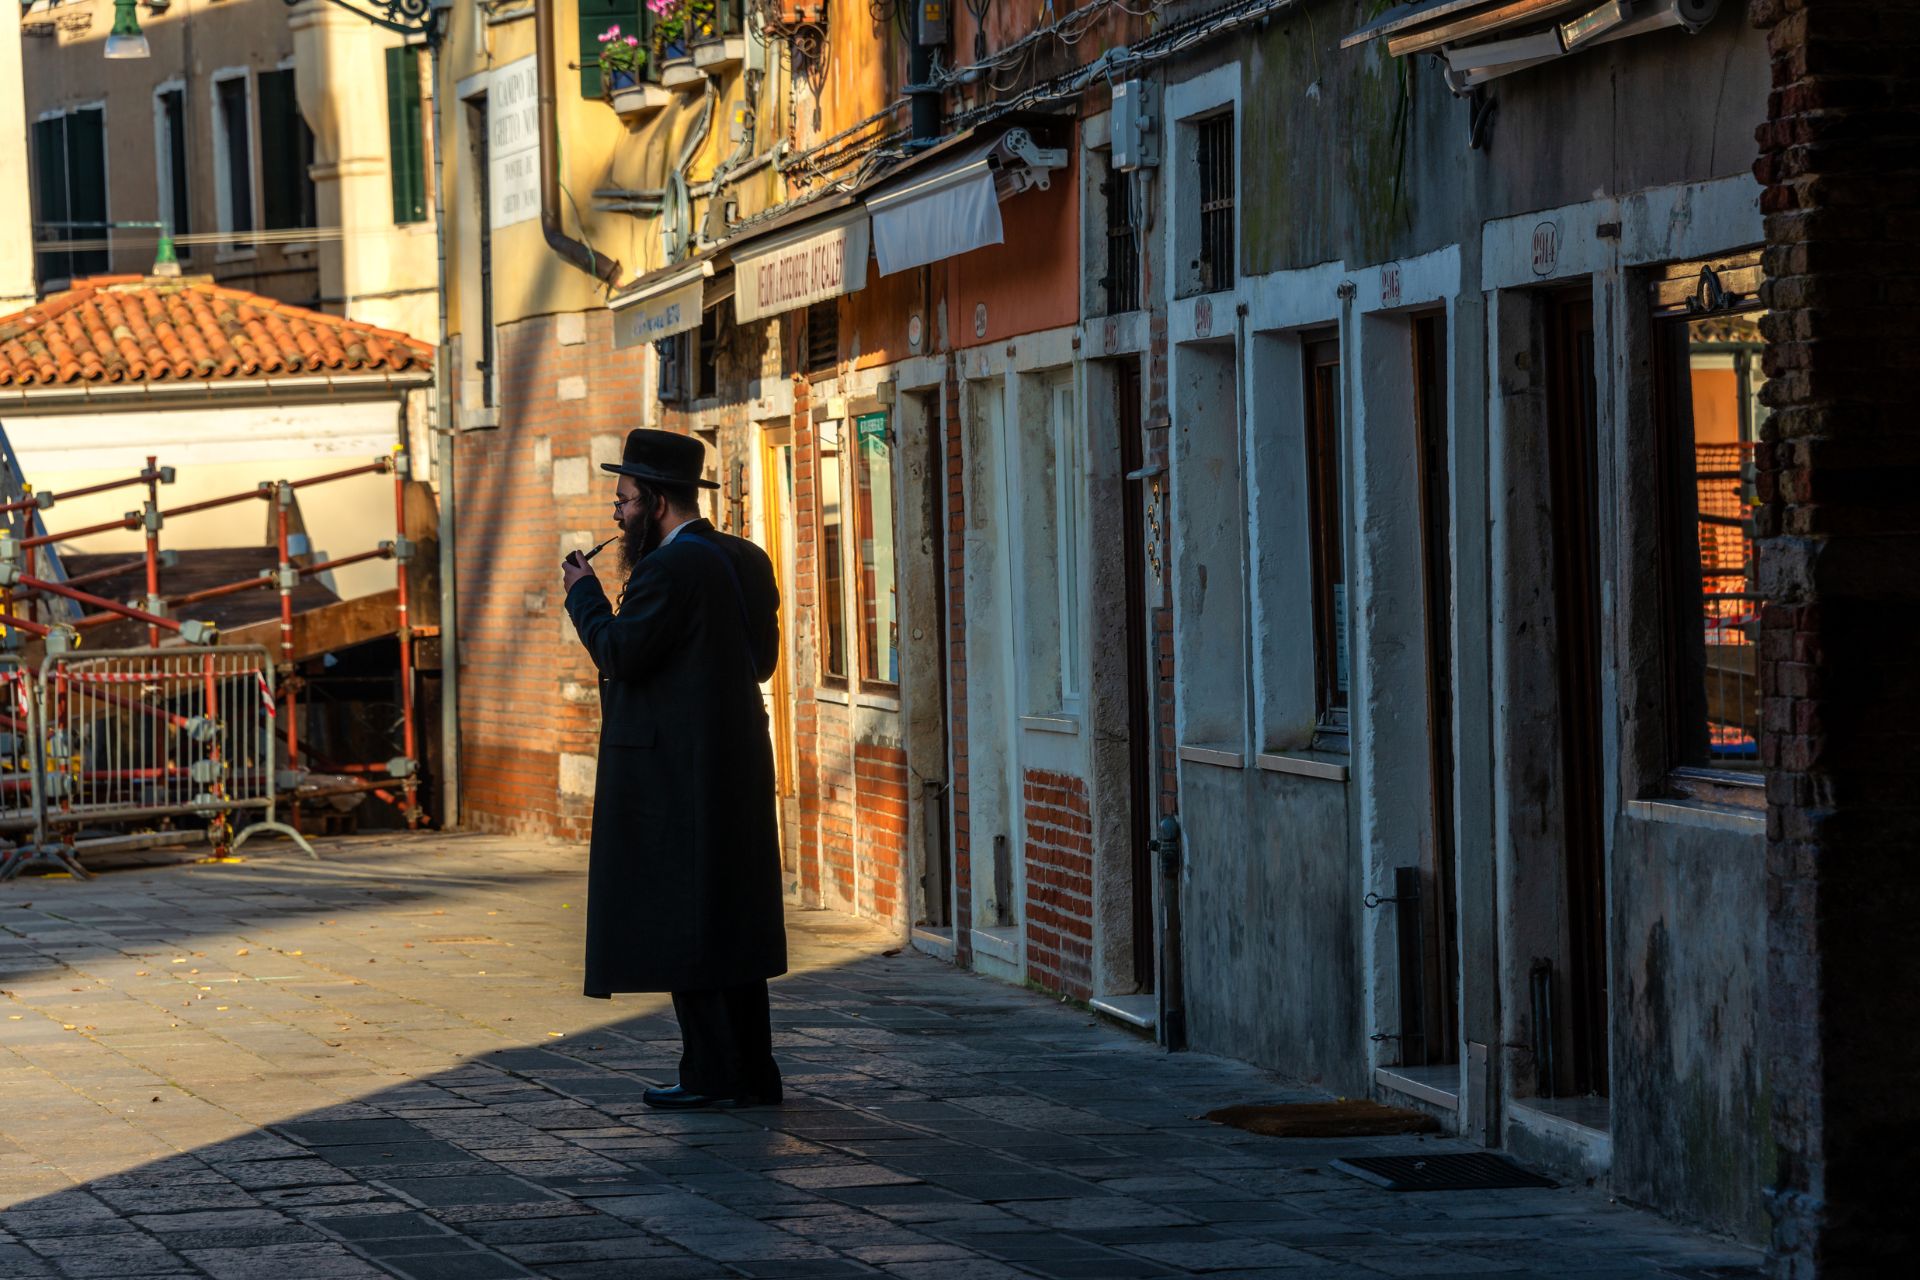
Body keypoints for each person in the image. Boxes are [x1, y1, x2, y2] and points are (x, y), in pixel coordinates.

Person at [560, 428, 785, 1110]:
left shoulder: (667, 570)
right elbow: (761, 661)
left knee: (689, 924)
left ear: (656, 502)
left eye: (624, 500)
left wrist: (585, 595)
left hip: (678, 778)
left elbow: (620, 654)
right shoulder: (745, 557)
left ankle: (712, 1076)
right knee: (730, 921)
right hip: (734, 767)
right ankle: (750, 1073)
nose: (616, 515)